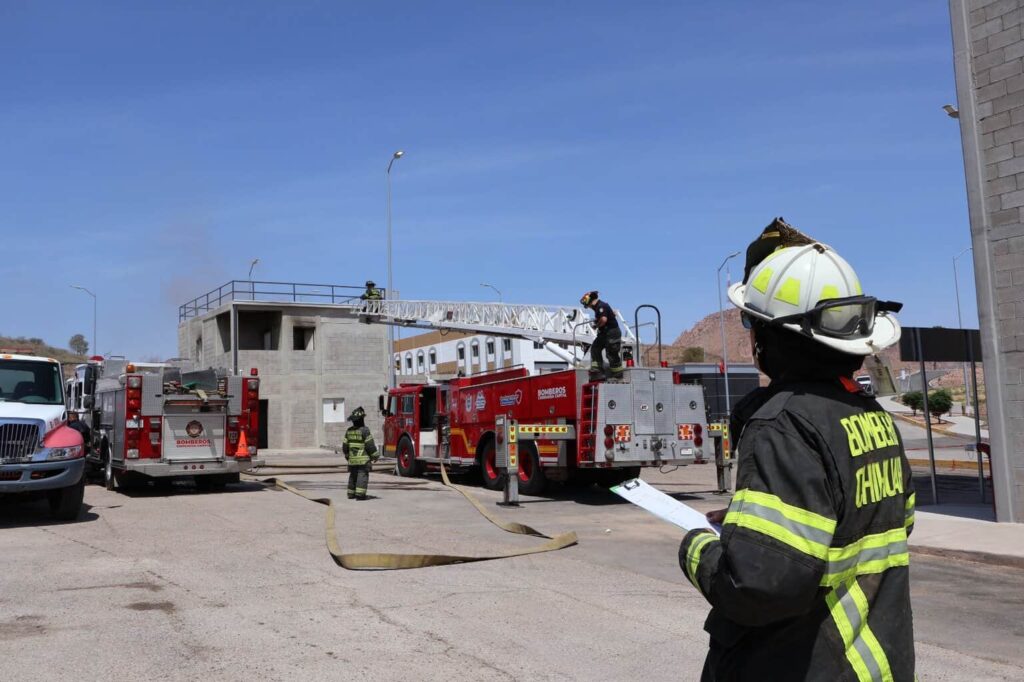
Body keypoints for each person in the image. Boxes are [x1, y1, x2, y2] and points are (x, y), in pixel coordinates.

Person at [678, 227, 915, 681]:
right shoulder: (872, 416)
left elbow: (756, 587)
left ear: (774, 338)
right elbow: (889, 522)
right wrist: (757, 525)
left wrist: (697, 549)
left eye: (753, 324)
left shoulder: (782, 425)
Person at [580, 290, 624, 382]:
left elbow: (603, 320)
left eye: (587, 306)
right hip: (605, 333)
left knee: (611, 353)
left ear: (589, 300)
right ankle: (597, 371)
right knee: (595, 347)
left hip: (612, 332)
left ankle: (617, 375)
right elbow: (611, 315)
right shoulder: (599, 307)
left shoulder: (600, 306)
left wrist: (596, 325)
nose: (589, 308)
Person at [342, 406, 379, 500]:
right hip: (363, 460)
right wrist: (375, 455)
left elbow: (345, 446)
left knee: (353, 476)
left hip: (352, 460)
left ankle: (351, 493)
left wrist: (347, 455)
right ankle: (360, 494)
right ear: (361, 419)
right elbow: (370, 445)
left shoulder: (349, 431)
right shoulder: (365, 430)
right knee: (362, 475)